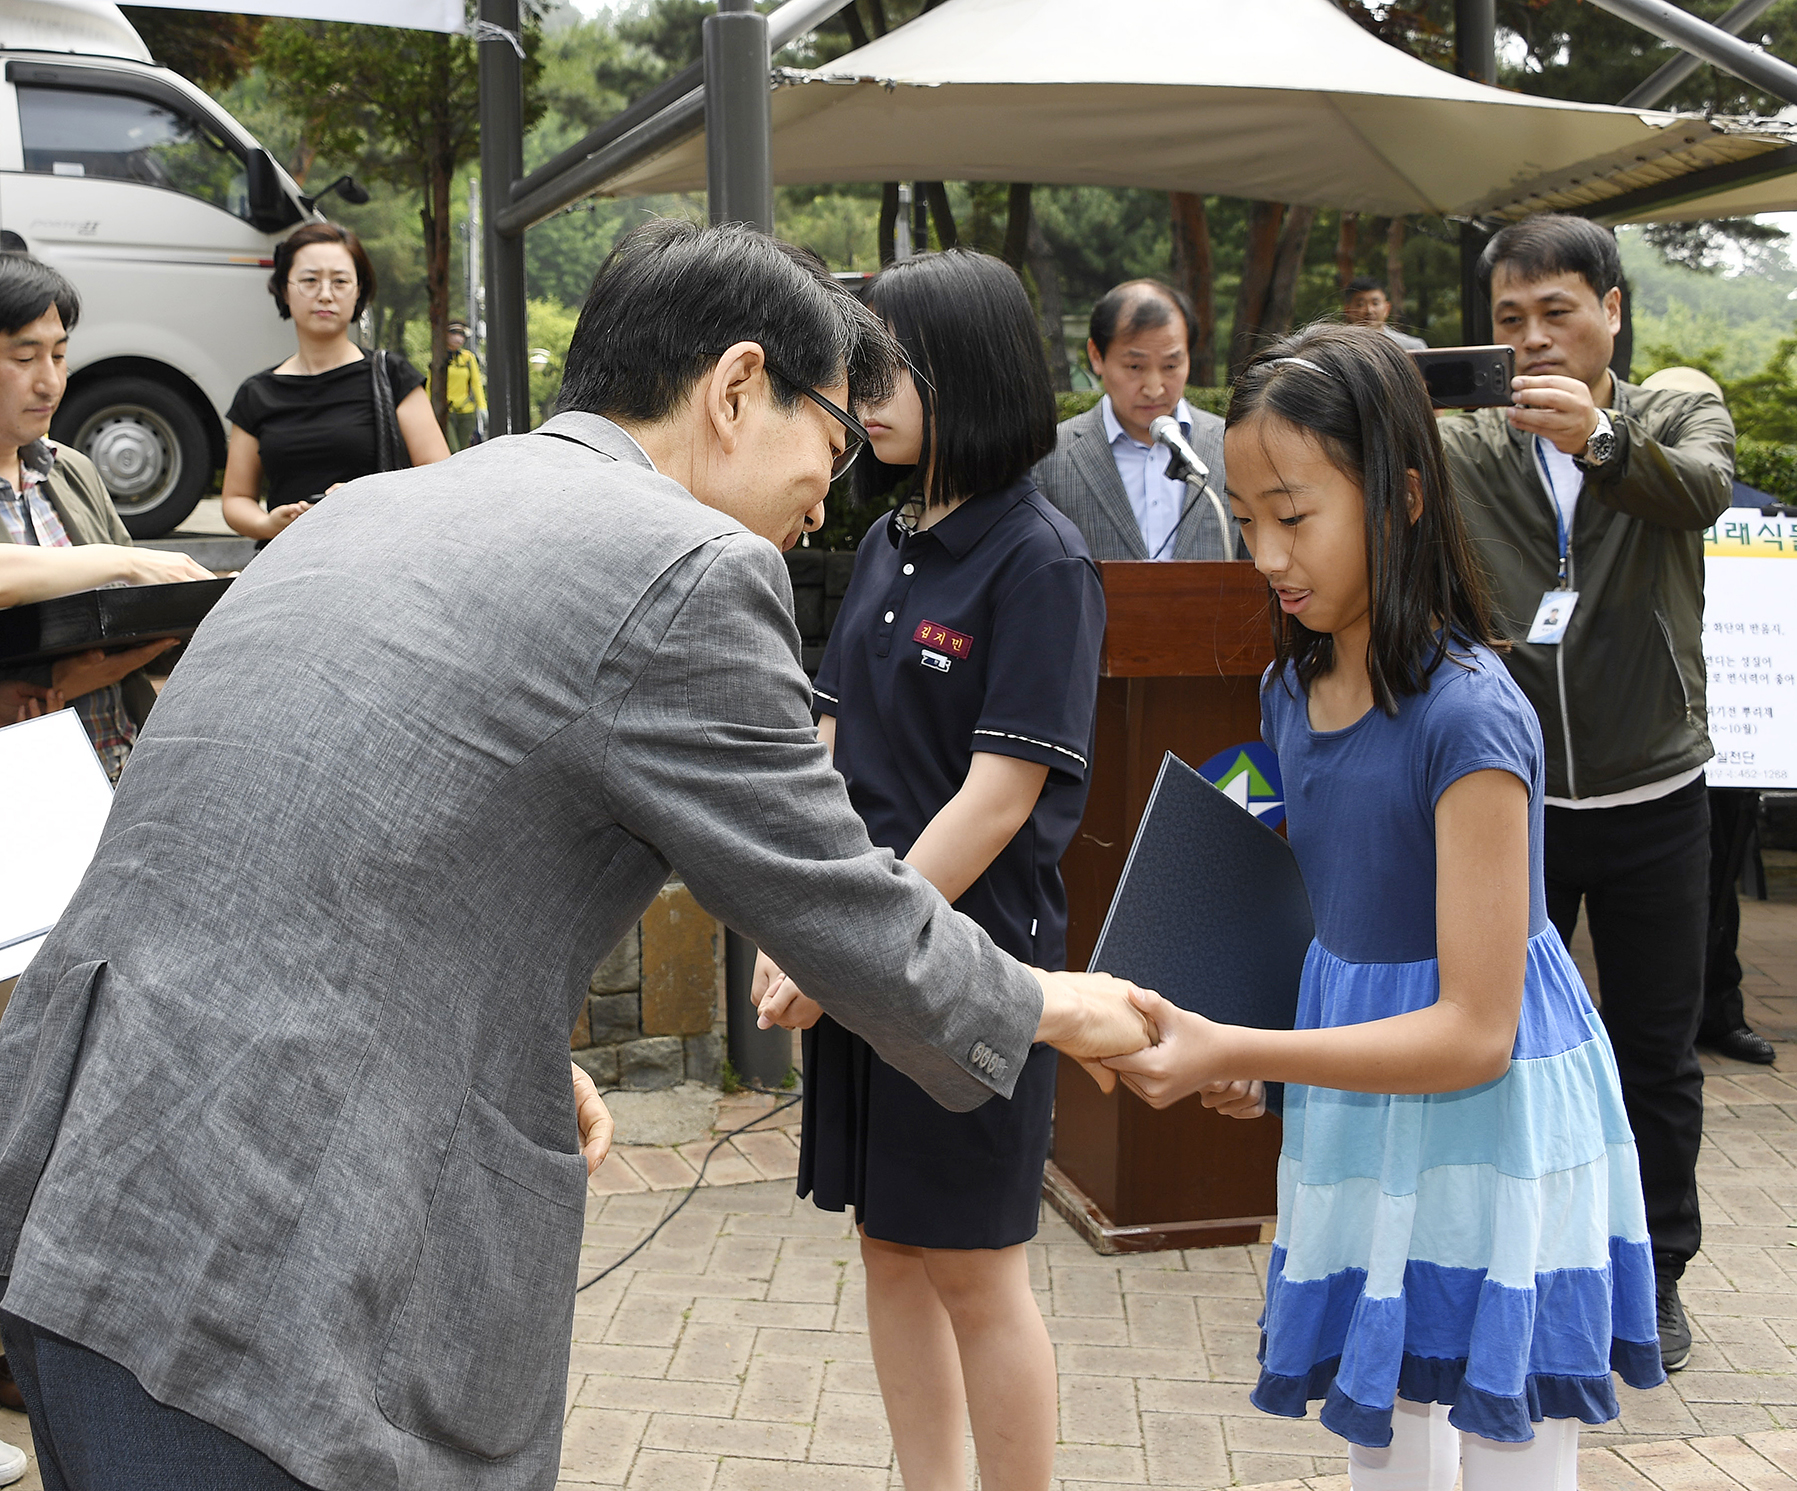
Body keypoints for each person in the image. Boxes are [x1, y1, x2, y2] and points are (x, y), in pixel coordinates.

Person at [0, 219, 1153, 1491]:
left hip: (79, 1193)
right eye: (827, 441)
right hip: (268, 1268)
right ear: (734, 389)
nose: (831, 495)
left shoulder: (376, 509)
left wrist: (505, 1041)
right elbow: (838, 903)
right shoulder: (686, 564)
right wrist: (1052, 1003)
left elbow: (336, 842)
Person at [1105, 323, 1661, 1491]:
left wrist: (1257, 1044)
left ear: (1402, 497)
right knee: (1390, 1444)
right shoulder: (1293, 685)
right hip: (1363, 1097)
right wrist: (1261, 1041)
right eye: (1246, 519)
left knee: (1505, 1449)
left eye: (1294, 516)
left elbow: (1475, 1029)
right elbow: (1331, 906)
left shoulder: (1472, 718)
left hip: (1491, 1125)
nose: (1266, 554)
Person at [754, 249, 1103, 1491]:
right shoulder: (890, 539)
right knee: (890, 1248)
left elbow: (999, 799)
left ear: (972, 370)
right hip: (866, 951)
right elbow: (833, 749)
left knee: (976, 1264)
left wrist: (846, 935)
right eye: (861, 366)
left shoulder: (1041, 560)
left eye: (889, 365)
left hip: (967, 966)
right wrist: (797, 913)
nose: (865, 391)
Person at [1438, 214, 1734, 1374]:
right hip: (1517, 801)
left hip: (1659, 788)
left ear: (1611, 308)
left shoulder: (1670, 405)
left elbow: (1702, 490)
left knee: (1656, 1050)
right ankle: (1505, 1260)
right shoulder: (1473, 439)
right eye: (1509, 320)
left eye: (1558, 310)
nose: (1534, 340)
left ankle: (1656, 1275)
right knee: (1498, 1043)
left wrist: (1604, 442)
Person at [0, 255, 210, 773]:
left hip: (113, 761)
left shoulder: (71, 470)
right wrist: (127, 561)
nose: (50, 383)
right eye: (26, 359)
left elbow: (130, 615)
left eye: (60, 355)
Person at [1639, 365, 1777, 1067]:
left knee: (1718, 883)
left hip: (1747, 734)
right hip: (1659, 729)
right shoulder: (1630, 491)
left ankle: (1718, 1008)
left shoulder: (1769, 516)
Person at [220, 223, 448, 544]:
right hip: (284, 562)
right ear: (285, 290)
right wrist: (267, 525)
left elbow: (439, 476)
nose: (325, 294)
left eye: (340, 281)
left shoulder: (392, 376)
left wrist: (370, 496)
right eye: (310, 280)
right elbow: (236, 499)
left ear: (358, 292)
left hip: (373, 555)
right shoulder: (256, 393)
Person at [1031, 279, 1238, 561]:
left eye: (1171, 366)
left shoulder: (1231, 447)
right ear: (1096, 356)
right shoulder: (1050, 456)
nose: (1154, 388)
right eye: (1135, 367)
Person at [434, 320, 486, 452]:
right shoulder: (439, 357)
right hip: (446, 411)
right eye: (454, 333)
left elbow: (476, 383)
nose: (458, 337)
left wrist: (482, 406)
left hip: (466, 411)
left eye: (462, 334)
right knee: (453, 450)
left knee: (463, 452)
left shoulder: (468, 358)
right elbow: (431, 385)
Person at [1343, 275, 1427, 351]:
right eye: (1360, 305)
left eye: (1375, 303)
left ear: (1387, 308)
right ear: (1348, 310)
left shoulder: (1412, 347)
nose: (1369, 310)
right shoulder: (1340, 348)